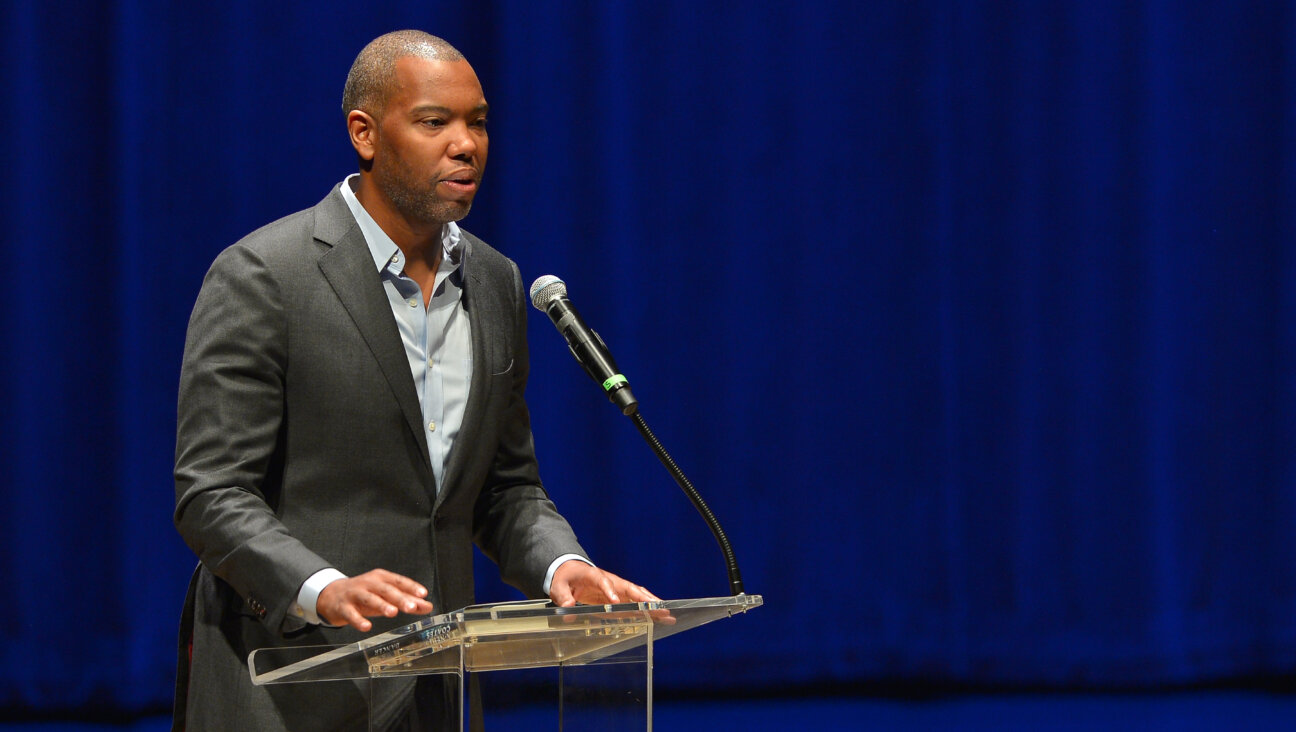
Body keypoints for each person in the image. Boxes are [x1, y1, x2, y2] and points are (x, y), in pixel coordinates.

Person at [172, 30, 656, 730]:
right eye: (435, 122)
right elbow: (211, 494)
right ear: (365, 134)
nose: (466, 144)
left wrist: (561, 567)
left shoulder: (494, 282)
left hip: (434, 688)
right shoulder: (264, 276)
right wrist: (323, 587)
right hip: (285, 681)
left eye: (478, 122)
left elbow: (505, 488)